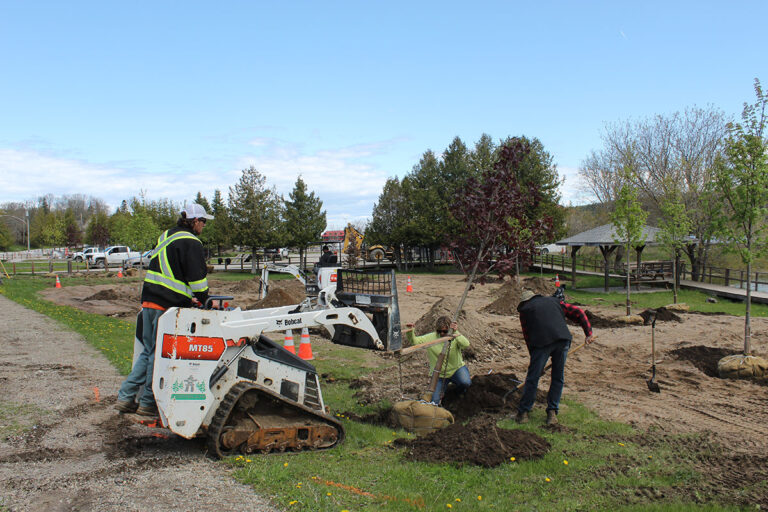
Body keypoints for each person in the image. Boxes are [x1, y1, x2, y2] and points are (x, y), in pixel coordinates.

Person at [115, 203, 213, 417]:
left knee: (149, 352)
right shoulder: (191, 242)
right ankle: (149, 403)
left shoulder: (166, 235)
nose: (204, 226)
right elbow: (197, 279)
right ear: (195, 221)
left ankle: (126, 396)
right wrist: (206, 300)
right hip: (166, 307)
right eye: (204, 222)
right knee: (159, 355)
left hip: (149, 301)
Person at [515, 289, 593, 425]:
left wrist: (536, 363)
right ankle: (552, 412)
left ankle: (524, 413)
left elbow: (528, 337)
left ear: (524, 302)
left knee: (533, 378)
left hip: (541, 343)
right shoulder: (555, 301)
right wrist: (589, 333)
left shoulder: (525, 311)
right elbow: (578, 312)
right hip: (562, 340)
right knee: (558, 377)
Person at [405, 315, 471, 404]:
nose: (442, 333)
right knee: (434, 401)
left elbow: (466, 344)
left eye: (445, 331)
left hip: (456, 369)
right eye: (439, 331)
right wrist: (410, 331)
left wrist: (456, 332)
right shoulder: (431, 338)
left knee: (465, 383)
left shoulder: (455, 336)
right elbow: (415, 342)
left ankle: (456, 394)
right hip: (439, 374)